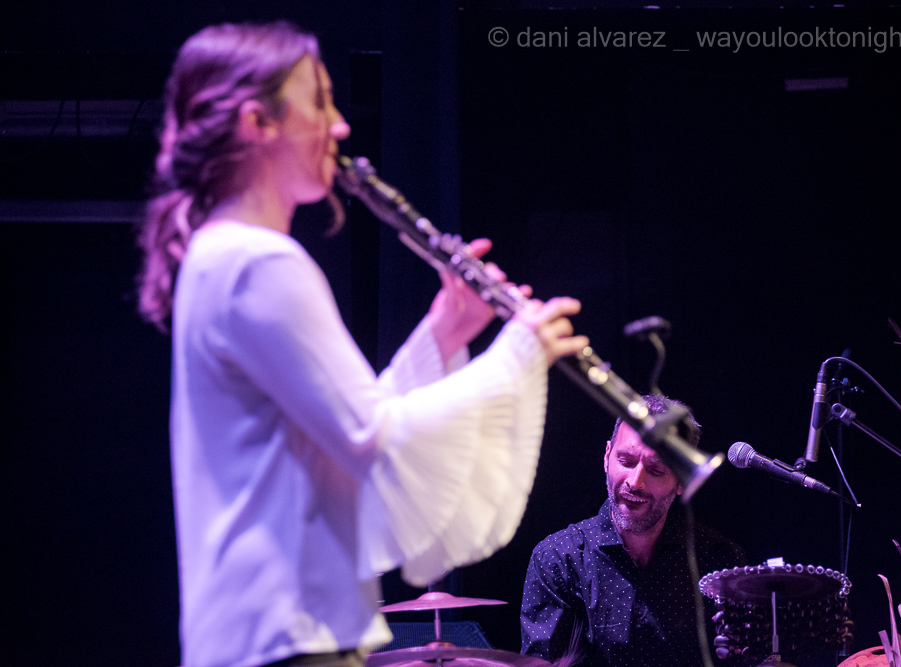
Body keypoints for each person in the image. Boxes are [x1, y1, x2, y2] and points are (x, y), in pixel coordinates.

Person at [136, 21, 588, 667]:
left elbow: (340, 428)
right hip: (287, 633)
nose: (340, 125)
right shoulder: (258, 262)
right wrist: (517, 355)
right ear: (257, 122)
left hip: (269, 629)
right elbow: (370, 436)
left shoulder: (224, 255)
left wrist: (443, 334)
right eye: (319, 102)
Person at [520, 395, 746, 667]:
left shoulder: (718, 560)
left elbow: (753, 657)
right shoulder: (558, 560)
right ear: (607, 457)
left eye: (656, 469)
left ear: (683, 479)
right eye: (626, 461)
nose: (635, 482)